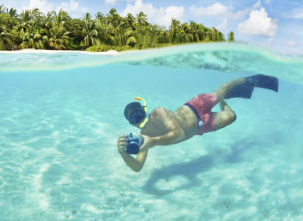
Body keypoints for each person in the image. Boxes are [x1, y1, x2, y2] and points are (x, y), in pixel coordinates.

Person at [117, 74, 278, 172]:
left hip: (196, 105)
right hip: (201, 126)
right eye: (134, 118)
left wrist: (153, 142)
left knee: (221, 91)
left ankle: (244, 80)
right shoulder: (144, 139)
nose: (138, 118)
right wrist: (123, 153)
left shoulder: (158, 113)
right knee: (231, 116)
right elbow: (137, 167)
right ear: (131, 124)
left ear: (145, 110)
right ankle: (223, 99)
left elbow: (179, 133)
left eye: (139, 113)